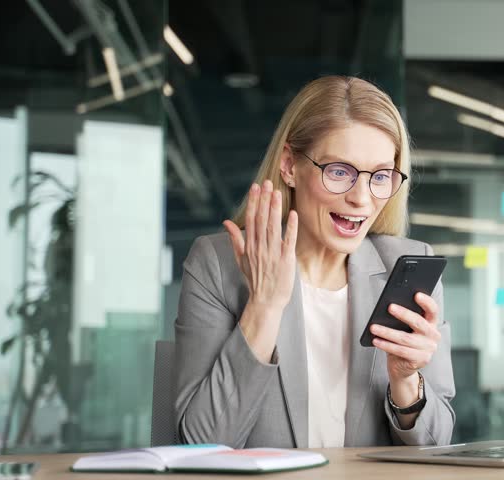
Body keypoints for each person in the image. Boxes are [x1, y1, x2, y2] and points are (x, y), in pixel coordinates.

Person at [174, 76, 455, 449]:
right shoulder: (217, 265)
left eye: (380, 176)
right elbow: (199, 444)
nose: (361, 198)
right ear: (289, 165)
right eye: (339, 171)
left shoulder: (406, 267)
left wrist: (405, 381)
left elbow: (437, 445)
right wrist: (264, 306)